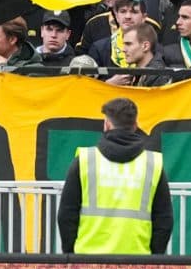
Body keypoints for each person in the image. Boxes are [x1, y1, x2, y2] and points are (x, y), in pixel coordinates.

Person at [55, 97, 172, 254]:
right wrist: (153, 258)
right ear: (135, 126)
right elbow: (164, 219)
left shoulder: (85, 160)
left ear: (107, 125)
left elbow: (66, 214)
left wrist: (71, 254)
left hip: (88, 261)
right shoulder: (152, 164)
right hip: (138, 261)